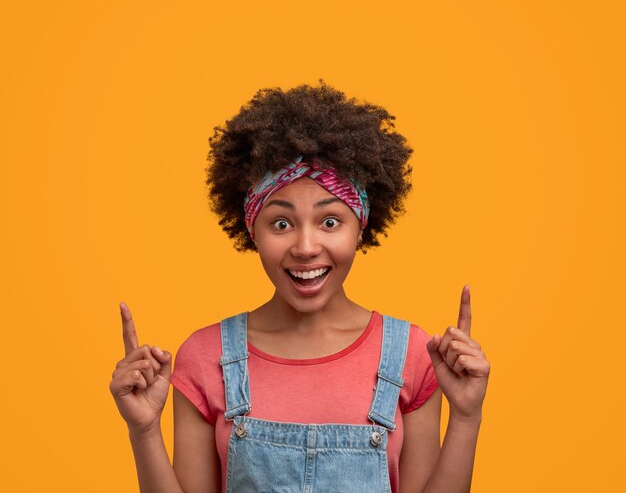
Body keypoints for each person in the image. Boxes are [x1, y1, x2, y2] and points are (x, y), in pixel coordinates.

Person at [110, 82, 490, 493]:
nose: (306, 248)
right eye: (281, 223)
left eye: (330, 222)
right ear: (251, 230)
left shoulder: (411, 358)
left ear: (360, 227)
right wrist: (145, 431)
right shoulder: (205, 359)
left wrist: (466, 418)